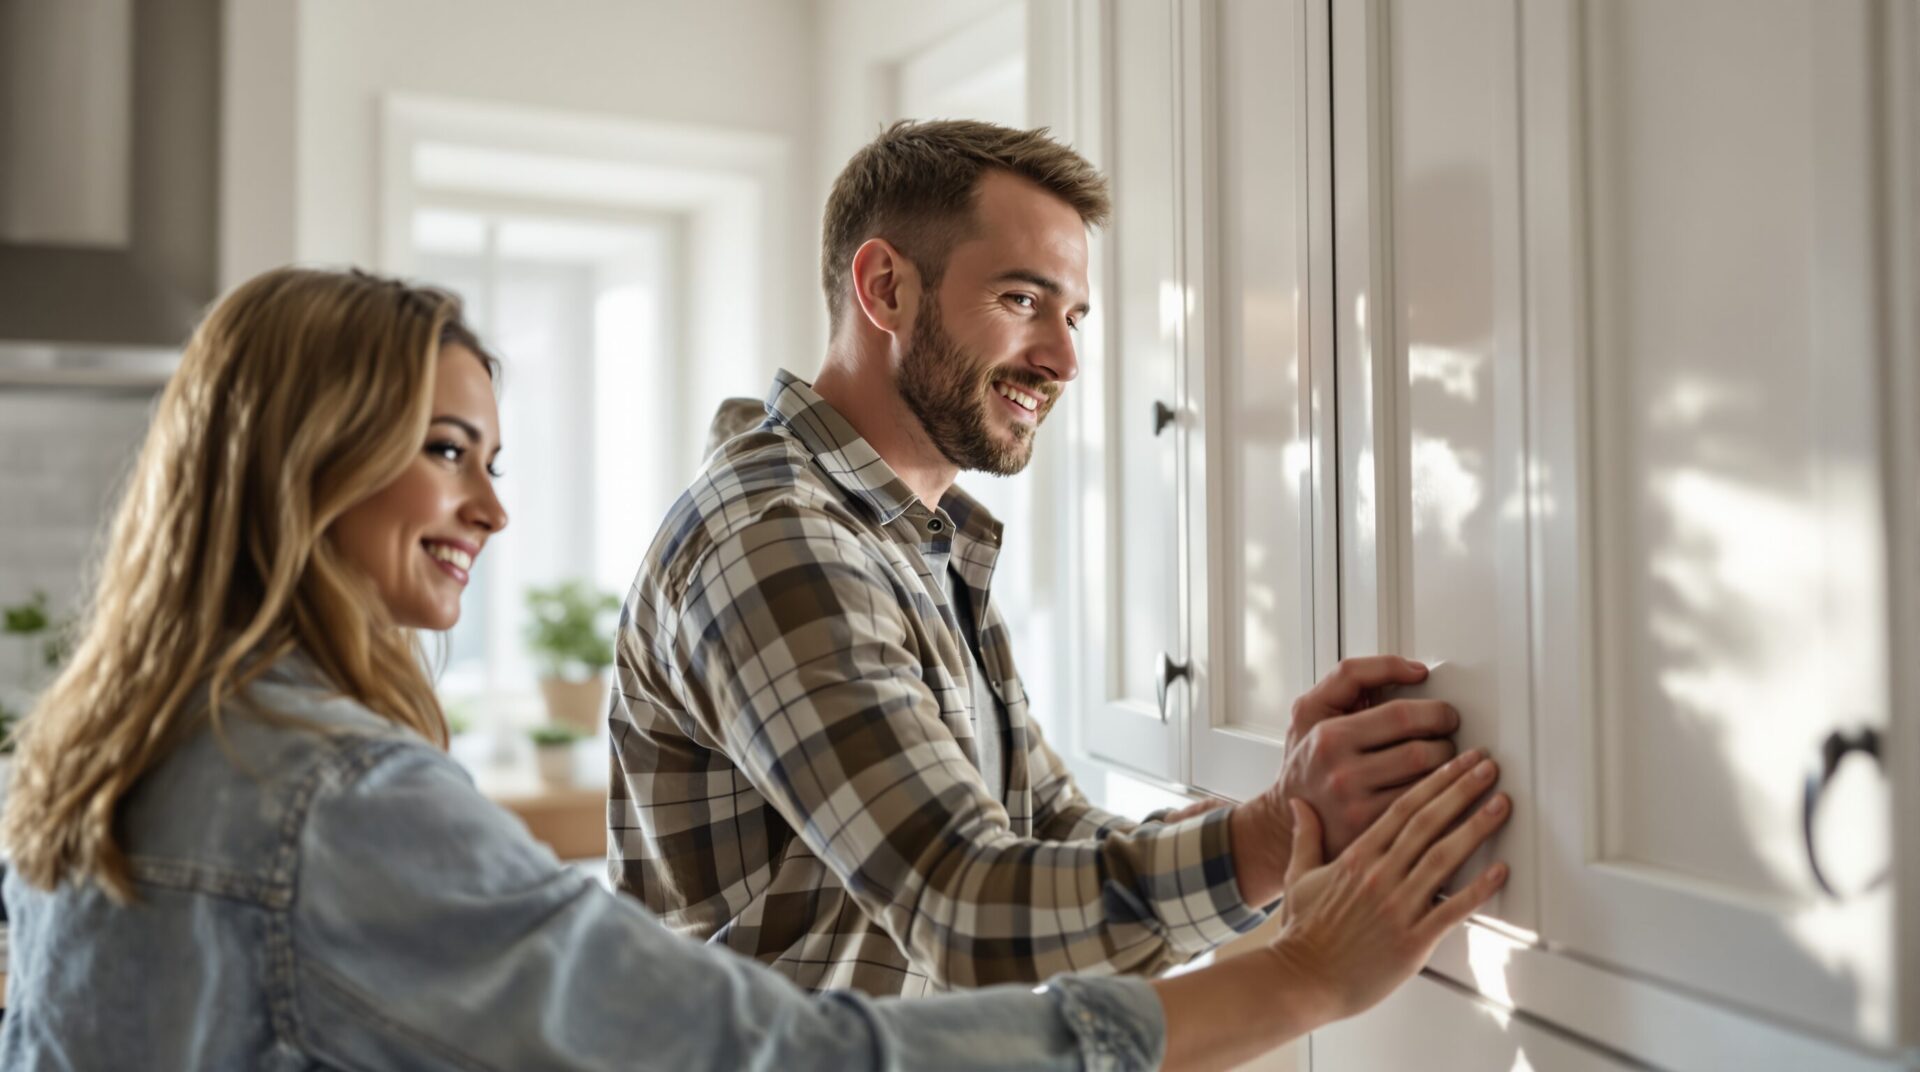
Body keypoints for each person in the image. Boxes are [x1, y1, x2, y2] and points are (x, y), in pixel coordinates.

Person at [0, 266, 1507, 1071]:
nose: (493, 507)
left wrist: (1278, 832)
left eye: (1079, 309)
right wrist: (1297, 972)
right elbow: (816, 1030)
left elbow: (1042, 838)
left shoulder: (114, 756)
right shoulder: (336, 798)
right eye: (443, 448)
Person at [610, 120, 1471, 996]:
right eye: (1023, 301)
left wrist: (1286, 815)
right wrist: (1274, 835)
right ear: (884, 288)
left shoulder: (914, 540)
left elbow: (1047, 834)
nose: (1063, 358)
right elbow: (967, 907)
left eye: (1074, 315)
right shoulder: (778, 543)